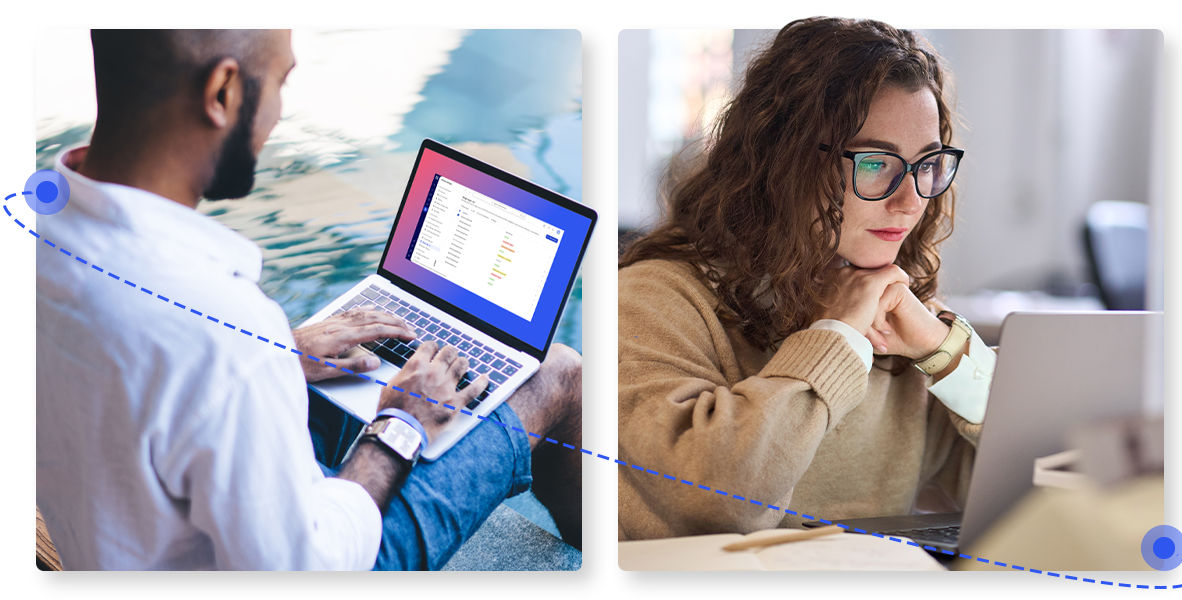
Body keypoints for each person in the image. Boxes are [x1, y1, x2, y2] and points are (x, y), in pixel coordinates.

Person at [35, 29, 582, 570]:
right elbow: (309, 568)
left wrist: (281, 353)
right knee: (557, 371)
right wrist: (401, 424)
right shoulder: (218, 328)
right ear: (223, 92)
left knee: (351, 370)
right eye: (280, 81)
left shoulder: (38, 231)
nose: (277, 115)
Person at [617, 18, 996, 540]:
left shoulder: (897, 311)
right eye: (875, 162)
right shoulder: (653, 299)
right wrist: (836, 337)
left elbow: (1040, 486)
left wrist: (945, 351)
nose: (911, 201)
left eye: (927, 163)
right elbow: (719, 502)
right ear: (783, 160)